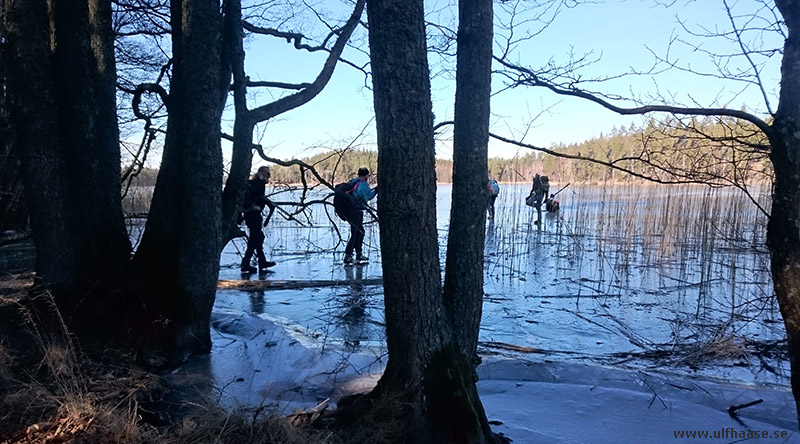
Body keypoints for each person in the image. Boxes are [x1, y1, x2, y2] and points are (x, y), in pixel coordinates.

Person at [241, 166, 276, 273]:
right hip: (253, 214)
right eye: (266, 173)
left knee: (259, 237)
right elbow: (257, 197)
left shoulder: (254, 183)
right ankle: (246, 263)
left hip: (252, 214)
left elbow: (259, 197)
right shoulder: (257, 183)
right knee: (255, 239)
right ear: (261, 173)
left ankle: (262, 261)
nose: (268, 175)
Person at [343, 167, 377, 265]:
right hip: (356, 211)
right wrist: (376, 190)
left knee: (359, 231)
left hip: (350, 211)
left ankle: (358, 254)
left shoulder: (354, 181)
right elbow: (369, 196)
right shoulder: (363, 184)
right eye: (367, 175)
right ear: (366, 175)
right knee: (357, 233)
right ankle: (348, 256)